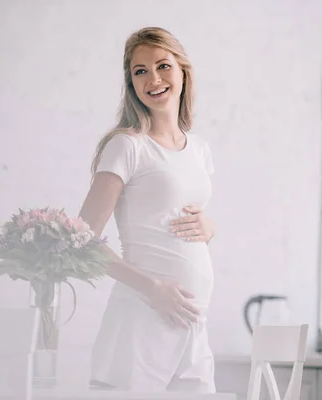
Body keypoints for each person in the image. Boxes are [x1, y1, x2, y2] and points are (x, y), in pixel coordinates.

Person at [78, 27, 217, 392]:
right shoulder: (126, 146)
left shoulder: (199, 150)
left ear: (183, 71)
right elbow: (81, 239)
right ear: (131, 84)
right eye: (140, 71)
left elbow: (177, 227)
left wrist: (210, 228)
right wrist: (153, 288)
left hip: (192, 326)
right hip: (140, 324)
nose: (153, 78)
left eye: (162, 65)